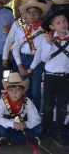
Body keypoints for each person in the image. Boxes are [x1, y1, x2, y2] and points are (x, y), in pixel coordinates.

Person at [12, 0, 49, 112]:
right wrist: (19, 65)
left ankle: (36, 114)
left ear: (40, 15)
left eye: (35, 12)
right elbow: (15, 48)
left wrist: (31, 68)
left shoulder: (43, 32)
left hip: (36, 63)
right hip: (22, 59)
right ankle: (23, 113)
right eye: (29, 12)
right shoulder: (20, 30)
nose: (32, 15)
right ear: (25, 15)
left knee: (35, 90)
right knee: (23, 89)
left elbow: (39, 52)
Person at [41, 8, 69, 145]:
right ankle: (47, 130)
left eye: (64, 20)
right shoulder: (47, 39)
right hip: (51, 77)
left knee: (62, 106)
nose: (63, 23)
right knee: (48, 105)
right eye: (58, 22)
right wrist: (48, 44)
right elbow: (44, 58)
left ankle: (59, 131)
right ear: (52, 27)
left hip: (66, 77)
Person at [0, 73, 42, 145]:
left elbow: (36, 118)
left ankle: (11, 139)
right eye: (11, 90)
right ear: (7, 91)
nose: (14, 93)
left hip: (22, 127)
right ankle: (24, 138)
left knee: (39, 128)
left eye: (18, 90)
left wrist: (25, 124)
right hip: (8, 127)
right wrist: (13, 124)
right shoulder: (3, 101)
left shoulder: (27, 101)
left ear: (23, 91)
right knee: (0, 130)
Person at [3, 0, 31, 72]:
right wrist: (5, 57)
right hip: (18, 57)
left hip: (34, 57)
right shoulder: (16, 24)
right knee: (19, 79)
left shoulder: (37, 24)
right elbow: (9, 40)